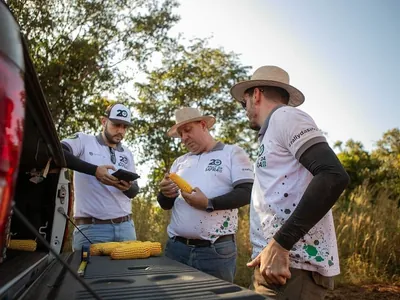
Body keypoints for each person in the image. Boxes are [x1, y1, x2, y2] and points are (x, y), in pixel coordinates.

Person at [230, 66, 350, 299]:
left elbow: (333, 175)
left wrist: (281, 243)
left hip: (293, 269)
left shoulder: (286, 116)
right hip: (278, 266)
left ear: (256, 94)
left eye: (243, 103)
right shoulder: (273, 129)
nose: (244, 111)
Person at [157, 107, 254, 283]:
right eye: (181, 134)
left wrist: (209, 203)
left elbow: (247, 192)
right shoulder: (180, 162)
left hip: (214, 250)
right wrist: (165, 194)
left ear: (203, 125)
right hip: (176, 249)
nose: (184, 138)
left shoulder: (232, 153)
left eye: (188, 130)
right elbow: (165, 204)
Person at [61, 103, 139, 251]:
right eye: (116, 125)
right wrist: (95, 170)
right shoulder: (83, 140)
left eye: (125, 127)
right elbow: (59, 152)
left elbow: (134, 191)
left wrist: (125, 187)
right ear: (104, 121)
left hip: (126, 227)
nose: (120, 131)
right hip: (92, 229)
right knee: (88, 274)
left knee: (126, 275)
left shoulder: (127, 153)